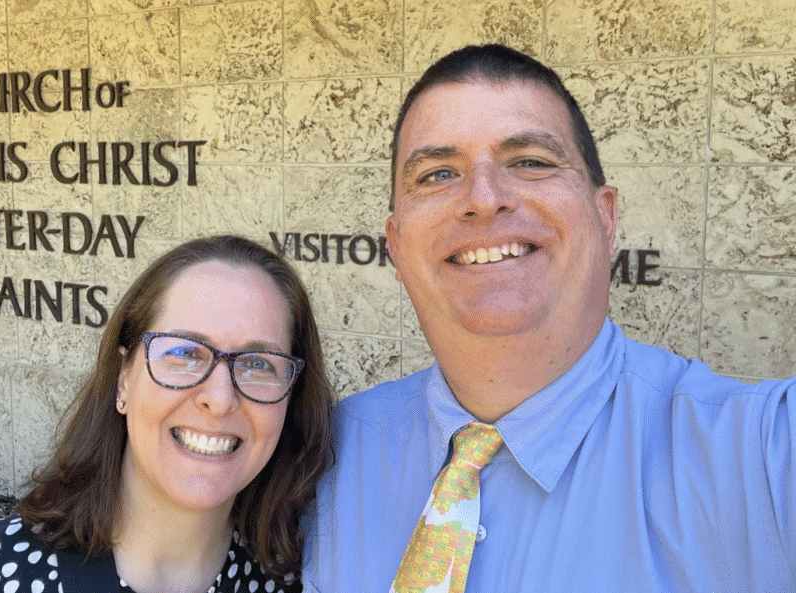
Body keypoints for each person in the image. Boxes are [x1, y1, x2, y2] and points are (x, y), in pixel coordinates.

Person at [302, 44, 795, 592]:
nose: (483, 199)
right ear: (395, 246)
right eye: (439, 174)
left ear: (606, 219)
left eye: (531, 162)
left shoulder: (762, 461)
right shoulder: (321, 457)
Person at [0, 235, 333, 593]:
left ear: (291, 398)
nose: (219, 400)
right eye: (182, 352)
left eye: (259, 363)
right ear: (124, 380)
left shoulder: (302, 581)